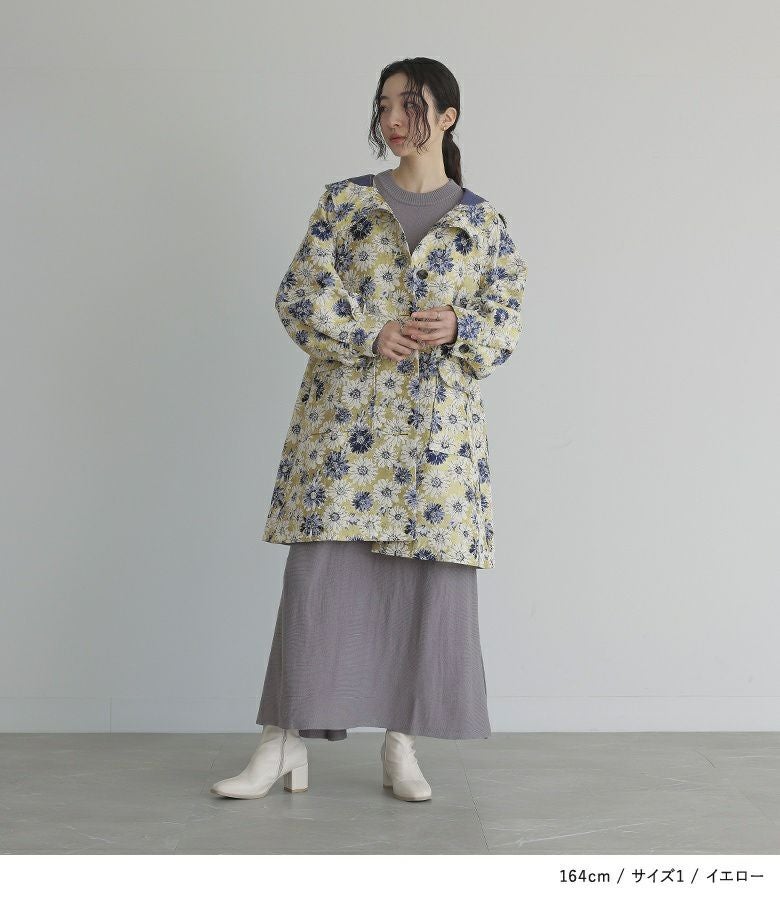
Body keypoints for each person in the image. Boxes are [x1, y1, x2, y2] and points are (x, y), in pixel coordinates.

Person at [211, 57, 527, 803]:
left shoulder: (482, 222)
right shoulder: (345, 202)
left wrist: (461, 325)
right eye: (383, 104)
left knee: (423, 588)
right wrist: (365, 334)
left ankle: (401, 746)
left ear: (447, 117)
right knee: (318, 582)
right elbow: (299, 294)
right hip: (345, 425)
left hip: (436, 440)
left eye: (408, 105)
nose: (391, 119)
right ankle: (283, 742)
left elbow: (507, 318)